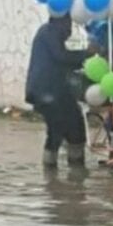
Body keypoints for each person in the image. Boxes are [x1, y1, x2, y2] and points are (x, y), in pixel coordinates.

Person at [25, 15, 94, 167]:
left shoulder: (49, 33)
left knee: (75, 127)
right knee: (56, 130)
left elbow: (61, 62)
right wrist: (85, 53)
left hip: (56, 91)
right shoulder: (49, 33)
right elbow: (61, 57)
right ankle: (53, 172)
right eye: (68, 23)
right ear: (60, 22)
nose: (70, 29)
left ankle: (73, 170)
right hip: (46, 92)